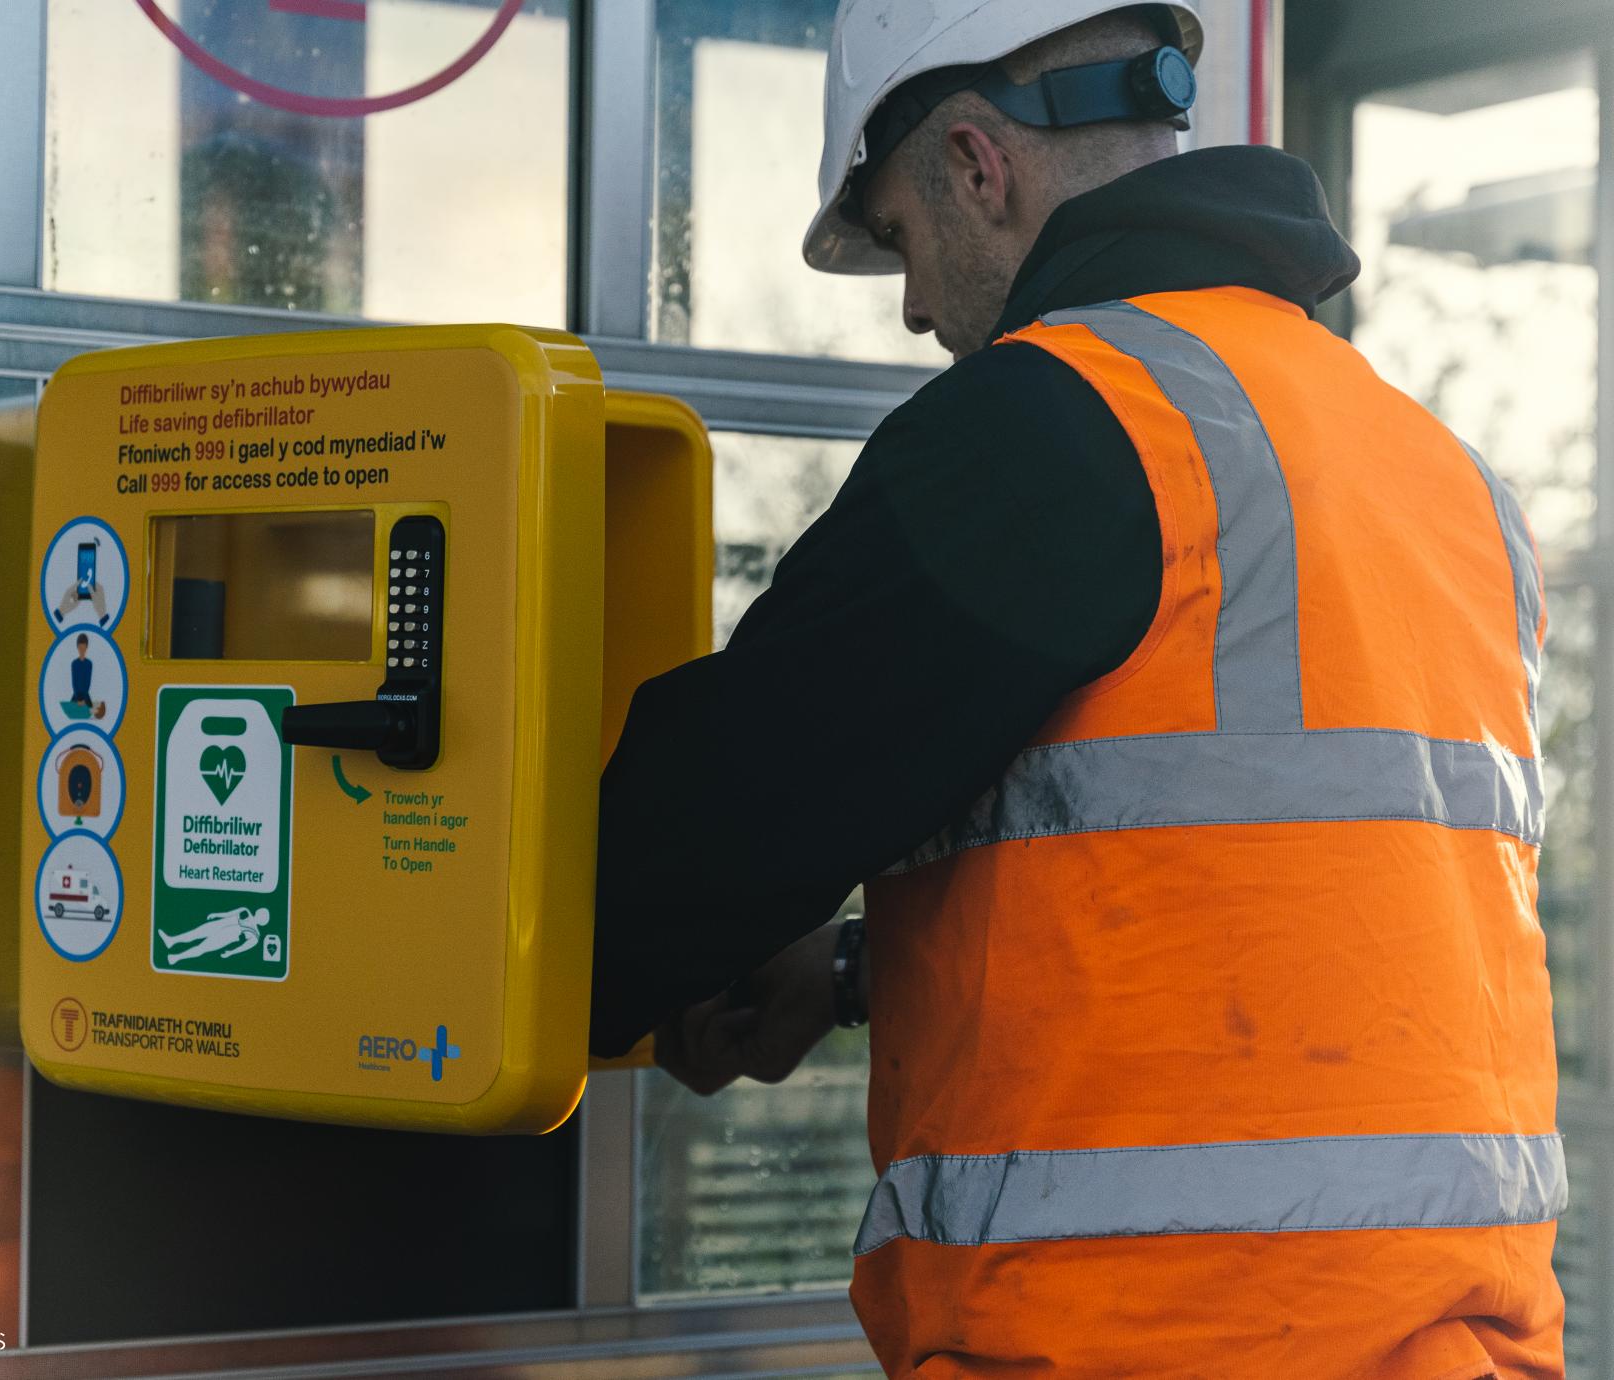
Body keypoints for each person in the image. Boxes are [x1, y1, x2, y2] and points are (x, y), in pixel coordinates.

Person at [587, 1, 1566, 1374]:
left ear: (980, 165)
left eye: (900, 240)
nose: (919, 306)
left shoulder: (1056, 422)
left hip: (1150, 1340)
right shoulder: (1438, 471)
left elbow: (686, 840)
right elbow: (1283, 916)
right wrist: (859, 971)